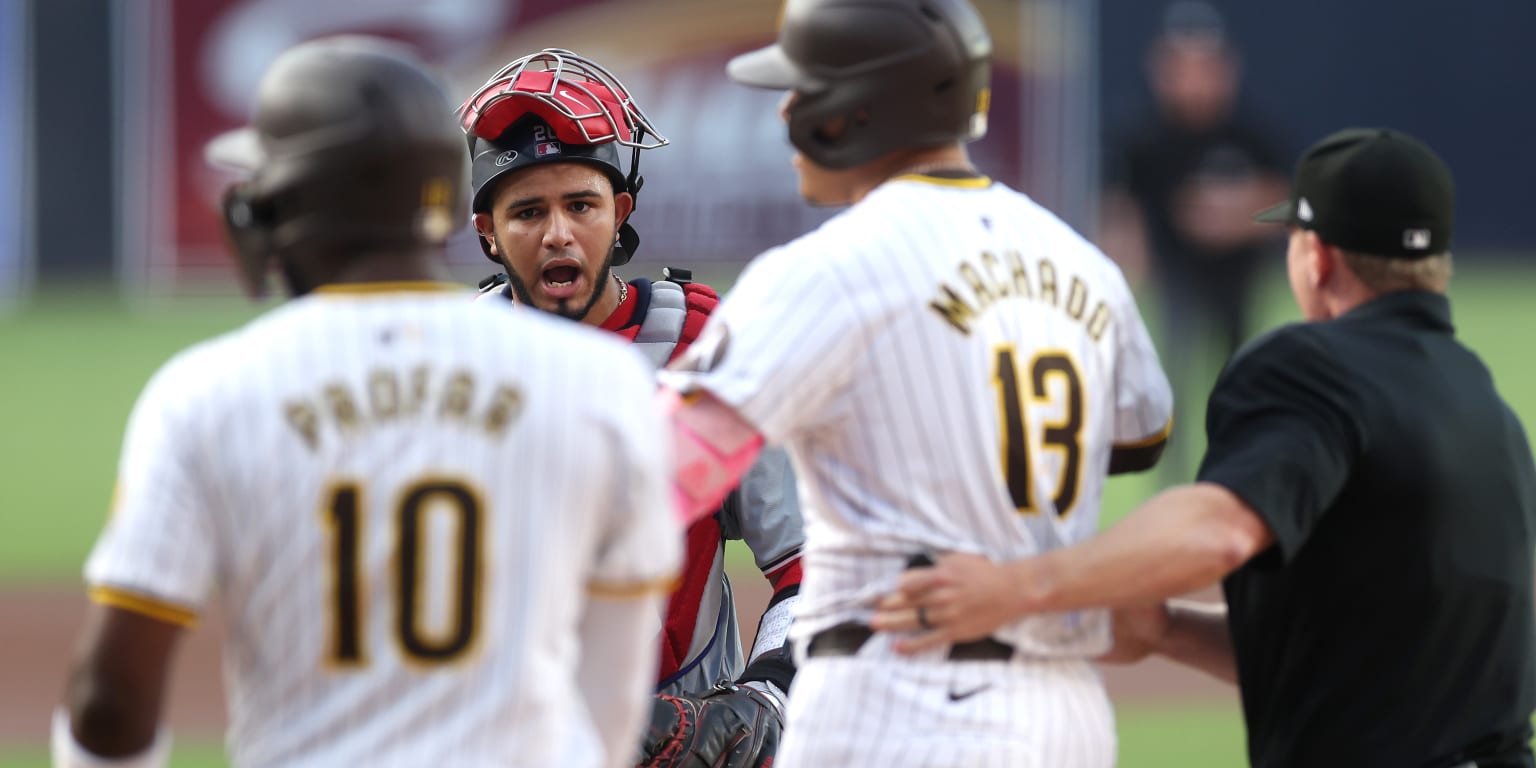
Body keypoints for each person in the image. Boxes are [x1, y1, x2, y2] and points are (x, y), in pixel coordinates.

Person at [53, 37, 680, 768]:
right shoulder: (604, 382)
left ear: (292, 201)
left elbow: (111, 707)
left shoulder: (206, 394)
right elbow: (611, 695)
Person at [874, 128, 1536, 768]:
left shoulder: (1313, 366)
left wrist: (1017, 587)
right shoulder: (1490, 415)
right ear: (1435, 266)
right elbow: (1380, 662)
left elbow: (1219, 532)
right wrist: (1167, 631)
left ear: (1319, 257)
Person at [654, 0, 1174, 765]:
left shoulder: (825, 274)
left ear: (856, 109)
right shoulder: (1085, 268)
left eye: (802, 91)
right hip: (1063, 721)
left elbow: (663, 472)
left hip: (888, 718)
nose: (786, 114)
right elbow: (1136, 436)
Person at [456, 48, 802, 766]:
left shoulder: (707, 351)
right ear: (487, 231)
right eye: (527, 211)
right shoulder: (450, 366)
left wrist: (766, 696)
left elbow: (812, 564)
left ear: (620, 212)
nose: (557, 234)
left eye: (580, 205)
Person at [1100, 0, 1288, 481]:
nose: (1193, 79)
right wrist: (1121, 279)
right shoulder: (1144, 138)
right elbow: (1122, 215)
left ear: (1226, 69)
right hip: (1176, 279)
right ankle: (1172, 487)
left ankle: (1238, 476)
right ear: (1161, 69)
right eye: (1181, 67)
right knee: (1169, 384)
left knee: (1241, 384)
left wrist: (1238, 215)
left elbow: (1288, 203)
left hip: (1235, 281)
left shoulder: (1250, 132)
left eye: (1204, 66)